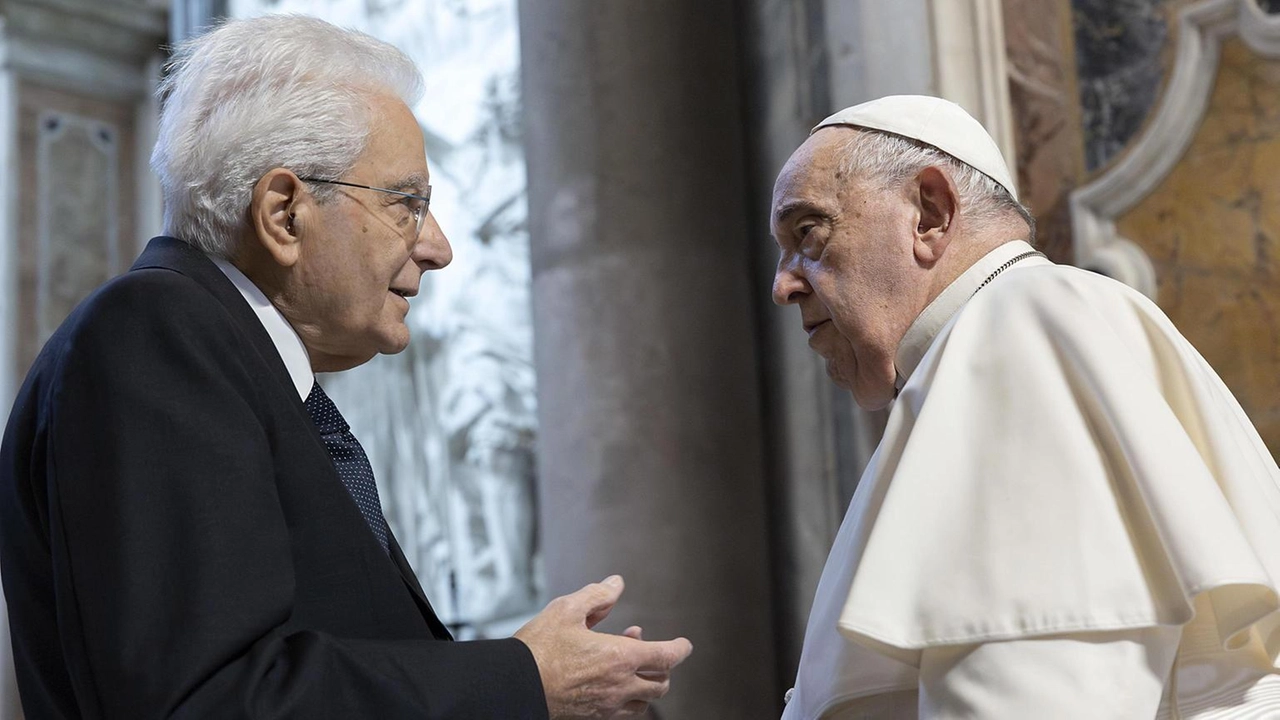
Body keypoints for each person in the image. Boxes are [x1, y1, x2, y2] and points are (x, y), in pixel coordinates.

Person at [0, 15, 691, 720]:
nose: (439, 247)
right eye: (407, 205)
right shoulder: (155, 334)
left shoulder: (229, 358)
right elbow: (207, 699)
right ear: (284, 215)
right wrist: (521, 680)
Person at [771, 95, 1280, 719]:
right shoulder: (974, 354)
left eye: (807, 233)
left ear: (929, 214)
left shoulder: (1018, 329)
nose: (783, 285)